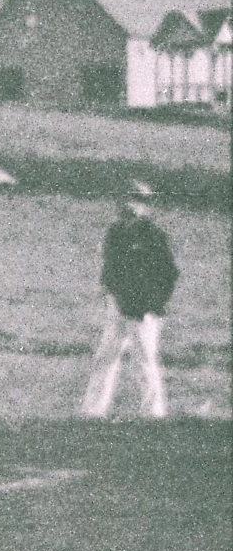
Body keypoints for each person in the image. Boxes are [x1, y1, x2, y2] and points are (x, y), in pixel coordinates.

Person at [82, 180, 177, 420]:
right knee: (106, 356)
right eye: (128, 199)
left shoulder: (154, 235)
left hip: (145, 309)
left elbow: (168, 273)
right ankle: (94, 410)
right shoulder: (115, 233)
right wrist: (111, 292)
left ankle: (153, 413)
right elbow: (110, 267)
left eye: (138, 201)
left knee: (145, 358)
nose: (131, 206)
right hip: (119, 304)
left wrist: (154, 303)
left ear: (147, 207)